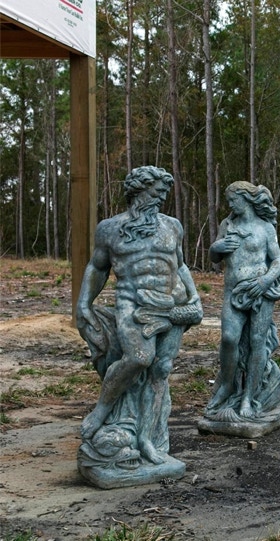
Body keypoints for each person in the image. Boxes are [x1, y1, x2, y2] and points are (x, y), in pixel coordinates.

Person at [75, 166, 202, 467]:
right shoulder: (110, 228)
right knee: (139, 358)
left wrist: (194, 296)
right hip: (132, 302)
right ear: (139, 190)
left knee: (161, 370)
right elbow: (97, 267)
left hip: (173, 305)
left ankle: (146, 438)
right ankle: (102, 411)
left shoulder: (172, 226)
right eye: (157, 191)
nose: (162, 197)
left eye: (165, 192)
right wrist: (83, 303)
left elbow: (180, 265)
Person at [204, 181, 280, 423]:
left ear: (247, 199)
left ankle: (249, 398)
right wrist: (216, 247)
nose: (230, 204)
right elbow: (214, 258)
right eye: (229, 200)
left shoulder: (265, 227)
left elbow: (278, 261)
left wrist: (265, 281)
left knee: (257, 342)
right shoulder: (227, 226)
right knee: (229, 338)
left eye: (233, 199)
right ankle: (227, 386)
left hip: (260, 291)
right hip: (233, 292)